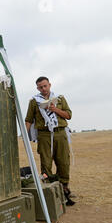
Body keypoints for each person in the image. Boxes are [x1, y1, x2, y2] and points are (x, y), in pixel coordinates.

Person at [25, 76, 76, 206]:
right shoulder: (34, 101)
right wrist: (25, 135)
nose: (43, 89)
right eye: (40, 87)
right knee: (46, 163)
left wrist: (55, 109)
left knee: (63, 162)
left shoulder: (59, 98)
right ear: (37, 88)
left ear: (49, 85)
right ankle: (49, 192)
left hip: (60, 133)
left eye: (45, 86)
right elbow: (29, 119)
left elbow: (68, 115)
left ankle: (64, 190)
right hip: (44, 135)